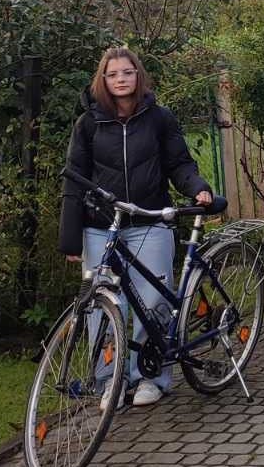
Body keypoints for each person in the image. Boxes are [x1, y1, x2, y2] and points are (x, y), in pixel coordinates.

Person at [59, 46, 213, 408]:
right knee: (101, 305)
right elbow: (74, 181)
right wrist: (70, 238)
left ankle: (150, 378)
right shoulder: (88, 123)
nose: (120, 80)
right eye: (113, 75)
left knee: (154, 301)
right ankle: (108, 381)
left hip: (150, 221)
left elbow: (179, 163)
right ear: (103, 79)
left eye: (127, 73)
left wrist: (199, 188)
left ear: (137, 75)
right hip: (101, 227)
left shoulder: (159, 118)